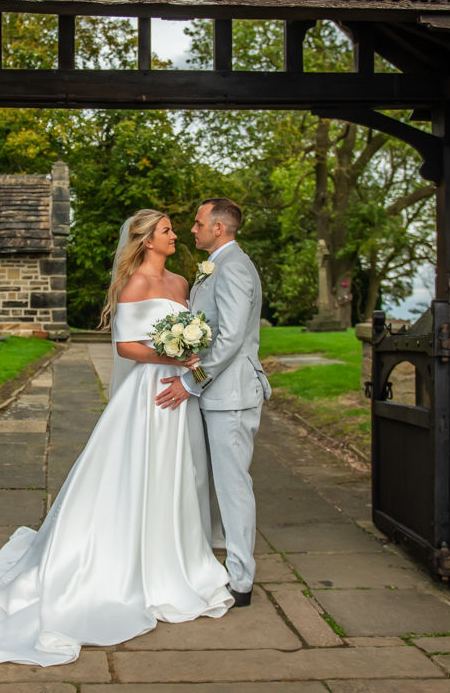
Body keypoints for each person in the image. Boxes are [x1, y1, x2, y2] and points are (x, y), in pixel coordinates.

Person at [0, 209, 233, 666]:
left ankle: (171, 556)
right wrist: (172, 354)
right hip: (146, 395)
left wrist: (190, 353)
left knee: (177, 473)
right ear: (145, 240)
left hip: (179, 395)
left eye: (175, 229)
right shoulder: (135, 283)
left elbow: (197, 336)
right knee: (134, 473)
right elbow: (125, 346)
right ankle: (117, 562)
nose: (175, 235)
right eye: (166, 230)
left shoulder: (181, 284)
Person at [155, 198, 271, 608]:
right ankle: (215, 556)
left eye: (199, 222)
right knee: (216, 482)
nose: (193, 229)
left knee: (234, 485)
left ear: (218, 229)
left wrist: (191, 381)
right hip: (218, 395)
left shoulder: (235, 267)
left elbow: (231, 340)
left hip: (232, 396)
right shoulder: (218, 266)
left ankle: (240, 580)